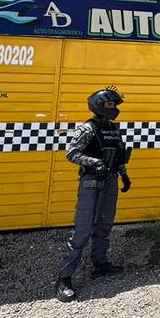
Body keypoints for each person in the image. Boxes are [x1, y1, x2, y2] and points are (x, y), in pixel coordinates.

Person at [56, 88, 131, 302]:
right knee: (83, 229)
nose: (114, 108)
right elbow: (71, 153)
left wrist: (124, 175)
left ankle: (100, 264)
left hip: (110, 181)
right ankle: (64, 278)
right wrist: (94, 162)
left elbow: (118, 156)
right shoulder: (88, 128)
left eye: (115, 105)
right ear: (98, 105)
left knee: (105, 225)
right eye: (110, 105)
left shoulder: (114, 129)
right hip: (91, 182)